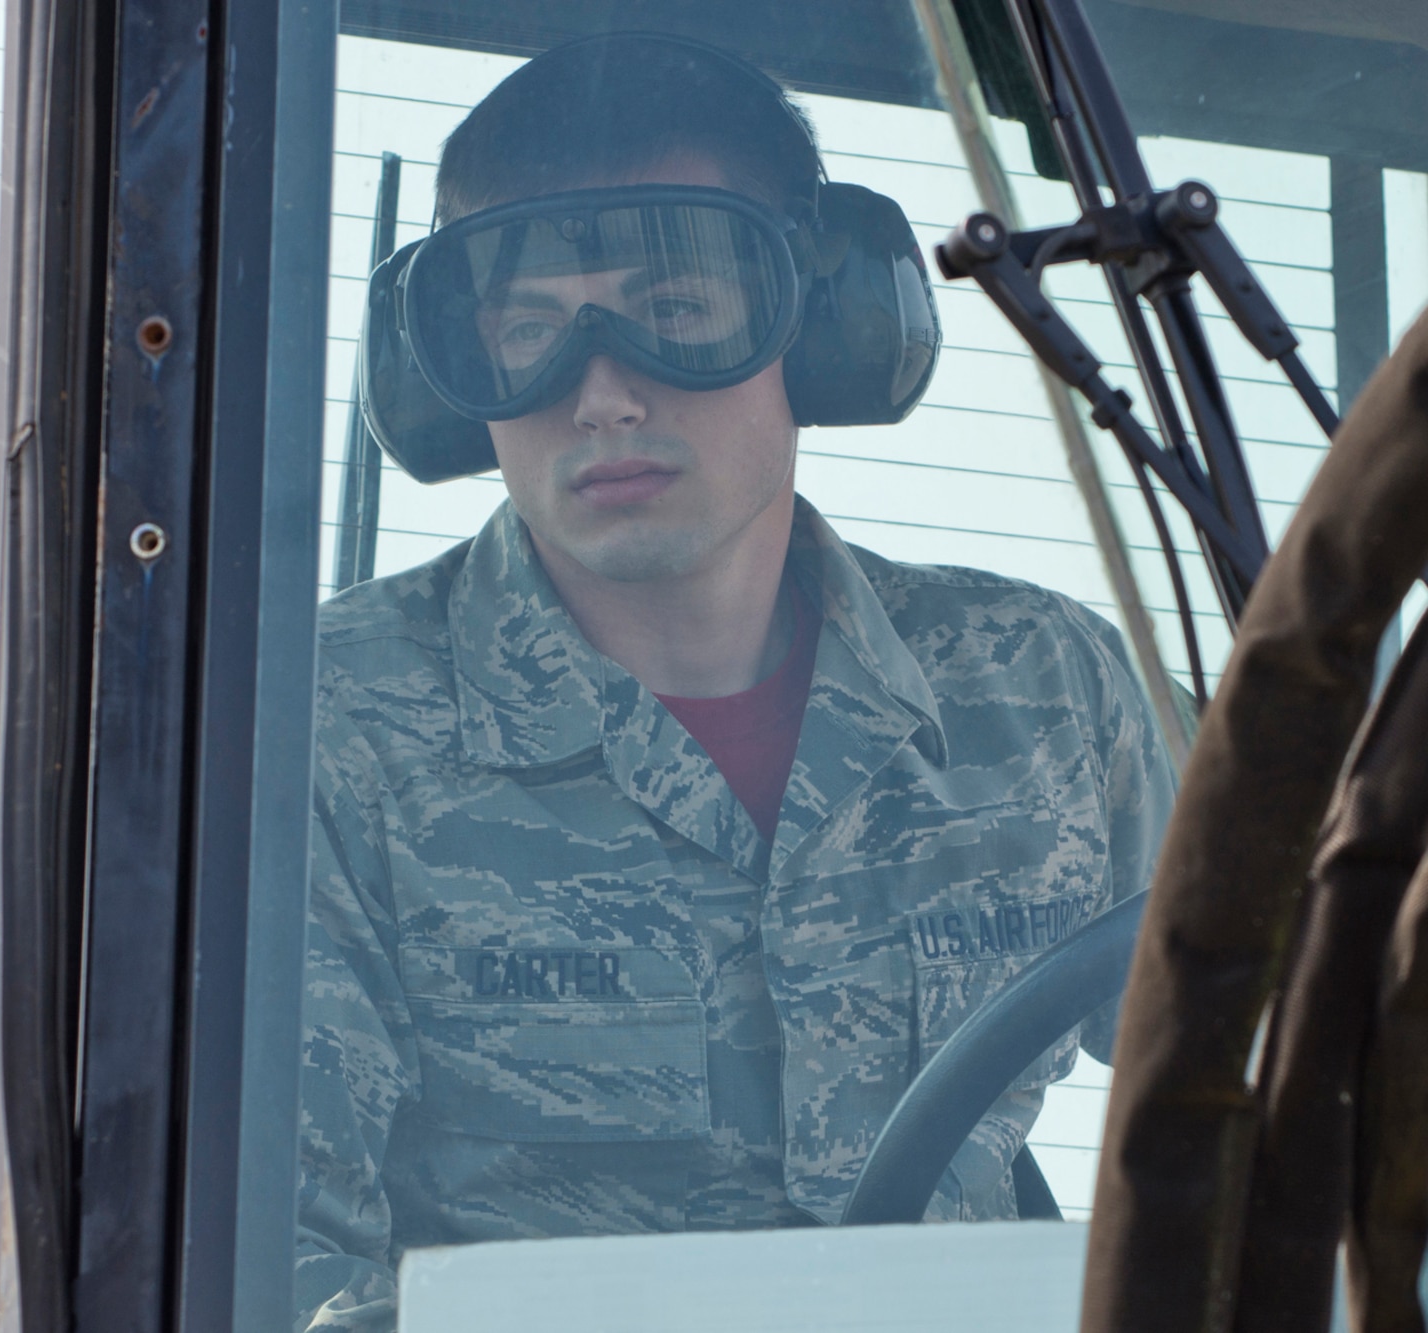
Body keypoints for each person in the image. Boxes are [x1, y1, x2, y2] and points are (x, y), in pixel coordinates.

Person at [296, 32, 1175, 1331]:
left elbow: (1284, 1082)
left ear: (824, 326)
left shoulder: (1045, 691)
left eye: (678, 313)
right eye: (526, 331)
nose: (597, 394)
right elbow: (272, 1262)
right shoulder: (319, 728)